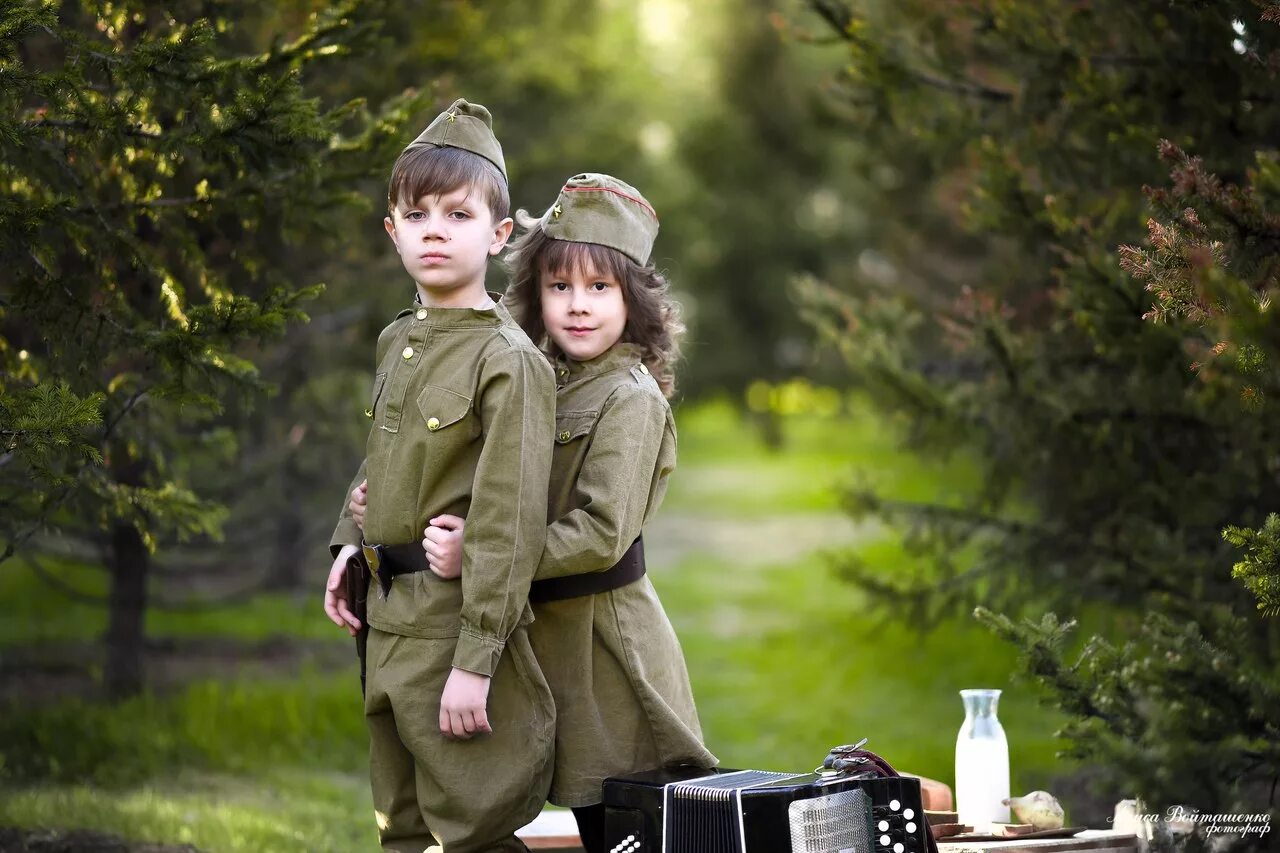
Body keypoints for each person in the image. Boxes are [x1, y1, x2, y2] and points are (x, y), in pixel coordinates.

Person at [350, 173, 717, 853]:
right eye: (559, 286)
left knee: (624, 829)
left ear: (633, 300)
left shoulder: (630, 397)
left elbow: (601, 533)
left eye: (600, 288)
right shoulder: (531, 370)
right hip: (534, 640)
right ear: (535, 293)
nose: (578, 306)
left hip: (601, 651)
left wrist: (481, 556)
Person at [322, 98, 556, 853]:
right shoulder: (398, 339)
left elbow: (511, 516)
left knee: (474, 829)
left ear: (498, 234)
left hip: (454, 628)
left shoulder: (508, 360)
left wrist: (475, 662)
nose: (433, 229)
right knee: (400, 827)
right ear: (392, 231)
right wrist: (346, 543)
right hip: (389, 621)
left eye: (457, 215)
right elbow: (389, 456)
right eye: (415, 213)